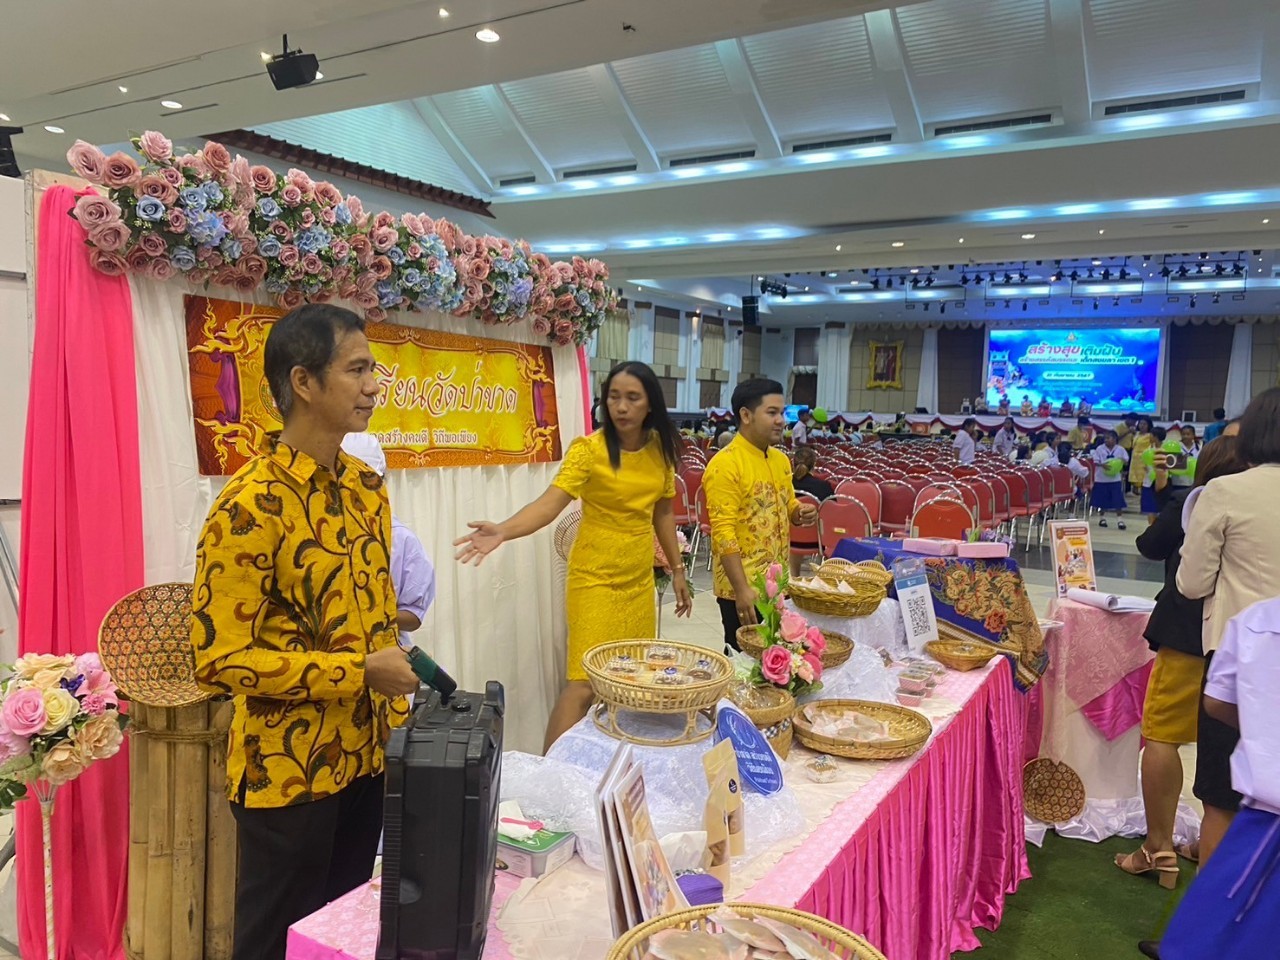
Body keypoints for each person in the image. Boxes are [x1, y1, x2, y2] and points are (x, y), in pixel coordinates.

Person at [190, 304, 418, 960]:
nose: (373, 386)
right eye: (356, 370)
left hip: (365, 757)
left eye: (372, 369)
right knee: (274, 943)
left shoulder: (365, 488)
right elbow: (219, 659)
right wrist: (358, 672)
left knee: (338, 939)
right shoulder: (248, 505)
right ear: (304, 382)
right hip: (287, 775)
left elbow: (374, 617)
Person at [454, 360, 691, 751]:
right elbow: (549, 505)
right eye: (614, 397)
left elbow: (662, 512)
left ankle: (608, 763)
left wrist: (677, 569)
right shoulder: (590, 450)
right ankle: (548, 771)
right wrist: (503, 530)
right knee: (583, 682)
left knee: (631, 676)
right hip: (594, 579)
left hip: (637, 581)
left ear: (650, 403)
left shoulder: (659, 451)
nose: (621, 407)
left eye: (633, 398)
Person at [1115, 439, 1246, 890]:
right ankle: (1212, 844)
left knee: (1162, 737)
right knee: (1224, 746)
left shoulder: (1198, 500)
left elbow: (1151, 546)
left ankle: (1158, 846)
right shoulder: (1259, 506)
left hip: (1187, 636)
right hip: (1240, 641)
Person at [1177, 386, 1280, 866]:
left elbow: (1192, 582)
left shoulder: (1225, 490)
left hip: (1244, 661)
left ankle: (1213, 915)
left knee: (1221, 796)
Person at [1154, 596, 1280, 959]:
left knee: (1212, 932)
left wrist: (1259, 726)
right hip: (1261, 817)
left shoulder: (1257, 620)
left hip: (1264, 818)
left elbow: (1218, 701)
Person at [704, 379, 816, 651]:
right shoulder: (725, 465)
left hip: (777, 584)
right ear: (746, 415)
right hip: (743, 587)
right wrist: (741, 589)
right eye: (772, 412)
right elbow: (723, 533)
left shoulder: (780, 460)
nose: (781, 421)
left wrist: (798, 512)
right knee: (743, 661)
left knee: (777, 657)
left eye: (782, 413)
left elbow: (788, 502)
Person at [341, 432, 436, 641]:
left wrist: (369, 615)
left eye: (367, 480)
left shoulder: (401, 539)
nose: (354, 489)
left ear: (382, 481)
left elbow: (413, 615)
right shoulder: (318, 530)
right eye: (346, 479)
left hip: (385, 650)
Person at [1091, 429, 1129, 528]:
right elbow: (1095, 461)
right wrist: (1102, 465)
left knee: (1117, 500)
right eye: (1105, 438)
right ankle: (1102, 518)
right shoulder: (1099, 448)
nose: (1106, 440)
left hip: (1115, 479)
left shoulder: (1120, 449)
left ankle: (1120, 520)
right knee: (1102, 500)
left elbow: (1126, 461)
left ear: (1115, 439)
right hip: (1101, 478)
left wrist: (1122, 461)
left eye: (1108, 438)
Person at [1140, 426, 1170, 524]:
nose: (1149, 437)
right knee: (1150, 509)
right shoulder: (1148, 450)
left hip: (1163, 483)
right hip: (1149, 482)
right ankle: (1151, 528)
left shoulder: (1167, 450)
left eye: (1151, 435)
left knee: (1161, 509)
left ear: (1155, 436)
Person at [1128, 416, 1155, 494]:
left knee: (1143, 480)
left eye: (1144, 424)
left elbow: (1152, 447)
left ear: (1149, 425)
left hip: (1143, 460)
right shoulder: (1137, 434)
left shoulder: (1150, 435)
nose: (1142, 426)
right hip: (1135, 460)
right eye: (1140, 423)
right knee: (1134, 481)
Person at [1170, 424, 1201, 490]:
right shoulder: (1176, 447)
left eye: (1188, 434)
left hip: (1194, 482)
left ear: (1193, 435)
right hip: (1178, 482)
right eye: (1183, 434)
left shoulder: (1199, 448)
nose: (1185, 436)